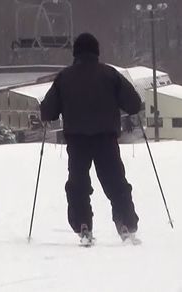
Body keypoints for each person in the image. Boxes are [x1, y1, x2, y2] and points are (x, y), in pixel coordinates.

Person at [40, 33, 142, 244]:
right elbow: (133, 104)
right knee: (115, 183)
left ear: (75, 53)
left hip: (77, 141)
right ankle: (126, 224)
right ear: (96, 52)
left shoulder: (64, 77)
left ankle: (83, 225)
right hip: (106, 139)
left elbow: (48, 111)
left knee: (78, 184)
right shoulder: (110, 74)